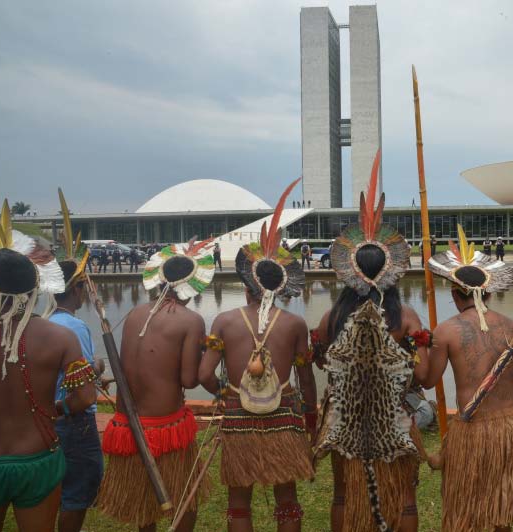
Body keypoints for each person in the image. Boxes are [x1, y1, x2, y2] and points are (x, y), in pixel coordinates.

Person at [312, 154, 430, 532]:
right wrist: (422, 348)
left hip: (344, 416)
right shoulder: (406, 317)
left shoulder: (332, 316)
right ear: (391, 271)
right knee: (405, 495)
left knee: (343, 494)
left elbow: (320, 362)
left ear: (350, 271)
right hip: (392, 416)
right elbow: (425, 377)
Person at [199, 179, 316, 531]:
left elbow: (205, 375)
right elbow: (306, 378)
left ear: (246, 283)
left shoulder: (223, 321)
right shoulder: (295, 324)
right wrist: (310, 417)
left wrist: (226, 395)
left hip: (239, 416)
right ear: (279, 284)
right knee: (287, 500)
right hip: (284, 414)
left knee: (239, 504)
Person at [0, 198, 96, 532]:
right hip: (39, 457)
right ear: (38, 283)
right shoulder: (60, 337)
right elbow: (86, 399)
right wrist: (57, 409)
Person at [425, 225, 513, 530]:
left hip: (471, 427)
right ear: (489, 292)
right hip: (508, 426)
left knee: (467, 506)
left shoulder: (446, 330)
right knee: (499, 504)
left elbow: (427, 380)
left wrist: (416, 350)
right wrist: (501, 401)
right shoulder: (511, 326)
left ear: (454, 293)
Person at [96, 241, 215, 531]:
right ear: (193, 285)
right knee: (184, 500)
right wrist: (207, 355)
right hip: (164, 425)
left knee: (144, 505)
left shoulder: (135, 313)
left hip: (128, 423)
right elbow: (189, 379)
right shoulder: (191, 321)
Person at [51, 191, 104, 532]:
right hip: (75, 419)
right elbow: (82, 388)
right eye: (83, 287)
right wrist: (98, 370)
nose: (86, 293)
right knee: (79, 489)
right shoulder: (74, 326)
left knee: (63, 487)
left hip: (52, 420)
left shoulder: (44, 323)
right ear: (75, 290)